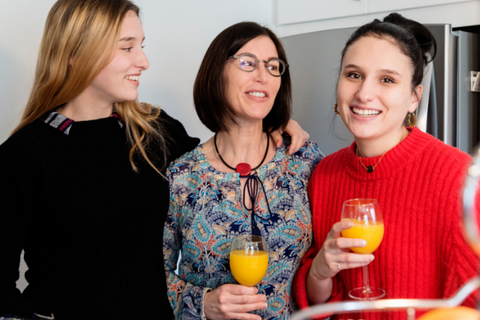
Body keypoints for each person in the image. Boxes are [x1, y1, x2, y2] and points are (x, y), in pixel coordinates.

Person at [0, 1, 308, 319]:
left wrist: (270, 124)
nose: (143, 61)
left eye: (141, 46)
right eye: (127, 47)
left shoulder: (157, 131)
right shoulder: (22, 156)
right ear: (77, 53)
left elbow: (217, 163)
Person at [293, 13, 480, 320]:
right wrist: (319, 272)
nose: (364, 93)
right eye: (353, 75)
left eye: (387, 79)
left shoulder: (457, 177)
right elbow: (323, 300)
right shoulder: (324, 176)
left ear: (414, 98)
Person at [163, 21, 323, 320]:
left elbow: (328, 262)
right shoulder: (181, 176)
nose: (263, 76)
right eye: (248, 63)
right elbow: (150, 275)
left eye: (273, 66)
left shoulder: (304, 160)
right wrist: (203, 303)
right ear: (217, 73)